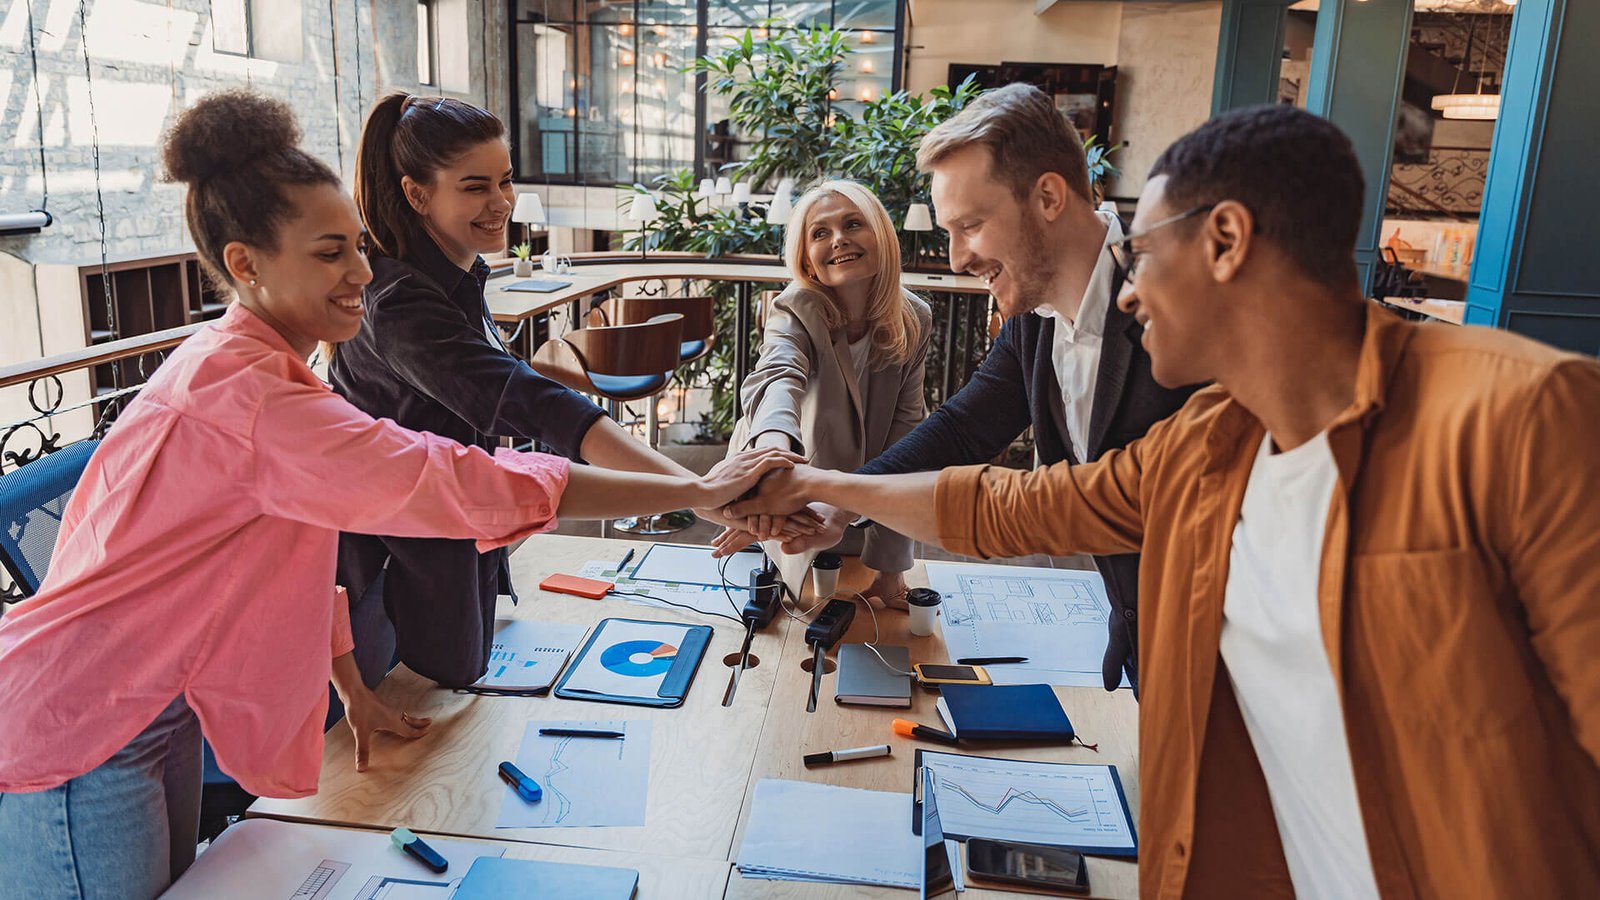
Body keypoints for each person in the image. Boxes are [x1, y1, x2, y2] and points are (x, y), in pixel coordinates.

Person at [723, 105, 1600, 897]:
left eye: (1142, 253)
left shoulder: (1530, 417)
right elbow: (1008, 506)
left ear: (1225, 240)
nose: (1130, 291)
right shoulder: (1204, 441)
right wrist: (817, 489)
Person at [0, 89, 794, 900]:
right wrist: (696, 490)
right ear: (246, 264)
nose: (361, 273)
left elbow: (284, 554)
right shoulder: (250, 395)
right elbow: (451, 478)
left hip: (150, 702)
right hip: (83, 717)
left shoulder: (253, 365)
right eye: (329, 253)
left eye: (358, 246)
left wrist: (352, 688)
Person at [719, 83, 1195, 690]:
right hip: (1146, 652)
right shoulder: (1034, 320)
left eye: (969, 225)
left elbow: (1064, 507)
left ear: (1048, 196)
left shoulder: (1176, 313)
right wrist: (839, 505)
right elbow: (964, 428)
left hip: (1221, 647)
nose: (956, 259)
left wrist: (827, 489)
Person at [332, 93, 816, 689]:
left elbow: (527, 401)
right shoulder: (400, 299)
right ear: (416, 194)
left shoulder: (451, 276)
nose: (501, 202)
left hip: (455, 525)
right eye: (475, 186)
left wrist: (701, 494)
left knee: (457, 690)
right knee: (411, 718)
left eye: (505, 181)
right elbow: (533, 402)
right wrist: (699, 491)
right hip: (398, 557)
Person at [720, 181, 931, 604]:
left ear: (882, 239)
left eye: (854, 223)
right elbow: (777, 377)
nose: (839, 239)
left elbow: (906, 438)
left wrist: (890, 571)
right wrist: (772, 459)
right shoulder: (795, 307)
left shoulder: (914, 317)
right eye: (820, 233)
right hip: (786, 503)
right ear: (807, 261)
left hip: (863, 507)